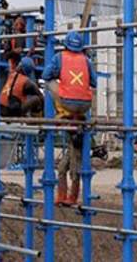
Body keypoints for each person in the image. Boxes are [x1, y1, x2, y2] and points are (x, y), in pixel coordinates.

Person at [41, 31, 96, 206]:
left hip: (67, 104)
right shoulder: (87, 60)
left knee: (48, 83)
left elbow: (45, 75)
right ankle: (64, 196)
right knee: (64, 166)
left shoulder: (59, 56)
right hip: (85, 105)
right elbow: (94, 82)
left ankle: (70, 197)